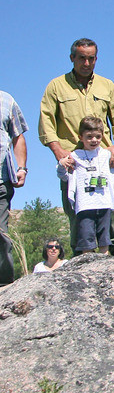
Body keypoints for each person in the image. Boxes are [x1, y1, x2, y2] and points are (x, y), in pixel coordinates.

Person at [39, 38, 114, 255]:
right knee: (77, 214)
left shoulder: (107, 85)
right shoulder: (56, 86)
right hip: (75, 164)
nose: (87, 62)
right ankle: (82, 260)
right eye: (82, 58)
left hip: (104, 161)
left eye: (91, 58)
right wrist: (59, 152)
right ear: (72, 58)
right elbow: (46, 121)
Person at [57, 117, 114, 255]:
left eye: (98, 137)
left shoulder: (105, 154)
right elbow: (64, 176)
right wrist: (61, 165)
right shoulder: (74, 156)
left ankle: (104, 260)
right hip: (85, 204)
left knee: (104, 236)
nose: (94, 140)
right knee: (86, 235)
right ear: (81, 137)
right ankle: (88, 263)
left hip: (104, 202)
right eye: (89, 137)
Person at [0, 90, 28, 286]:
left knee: (1, 236)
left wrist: (21, 168)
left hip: (1, 181)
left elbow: (17, 137)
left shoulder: (6, 100)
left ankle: (3, 287)